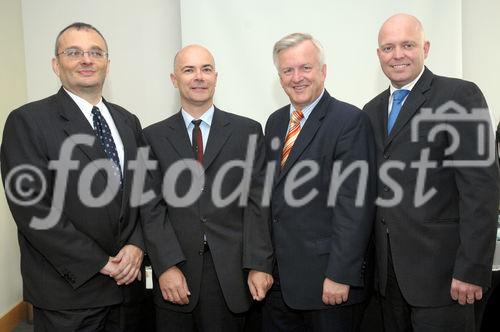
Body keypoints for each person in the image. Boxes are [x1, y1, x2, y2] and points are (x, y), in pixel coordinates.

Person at [1, 23, 147, 331]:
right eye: (74, 52)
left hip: (129, 291)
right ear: (56, 64)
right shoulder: (27, 121)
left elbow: (144, 192)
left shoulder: (127, 121)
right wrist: (101, 262)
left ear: (107, 62)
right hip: (69, 294)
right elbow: (33, 211)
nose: (86, 60)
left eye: (96, 52)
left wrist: (137, 245)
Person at [363, 13, 500, 331]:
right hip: (388, 281)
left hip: (445, 279)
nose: (397, 55)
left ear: (425, 47)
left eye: (407, 45)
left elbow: (481, 189)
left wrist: (472, 268)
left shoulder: (460, 96)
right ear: (378, 55)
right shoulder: (370, 111)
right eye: (388, 48)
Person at [141, 44, 274, 331]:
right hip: (177, 269)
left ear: (216, 77)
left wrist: (259, 263)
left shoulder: (247, 131)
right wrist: (166, 264)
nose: (198, 77)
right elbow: (151, 208)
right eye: (188, 70)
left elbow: (258, 203)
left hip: (232, 271)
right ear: (174, 79)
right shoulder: (152, 137)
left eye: (206, 69)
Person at [262, 32, 376, 331]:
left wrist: (341, 274)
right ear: (280, 76)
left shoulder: (349, 121)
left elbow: (355, 206)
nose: (297, 77)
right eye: (288, 70)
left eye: (306, 68)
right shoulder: (274, 123)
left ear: (323, 71)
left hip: (329, 285)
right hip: (280, 285)